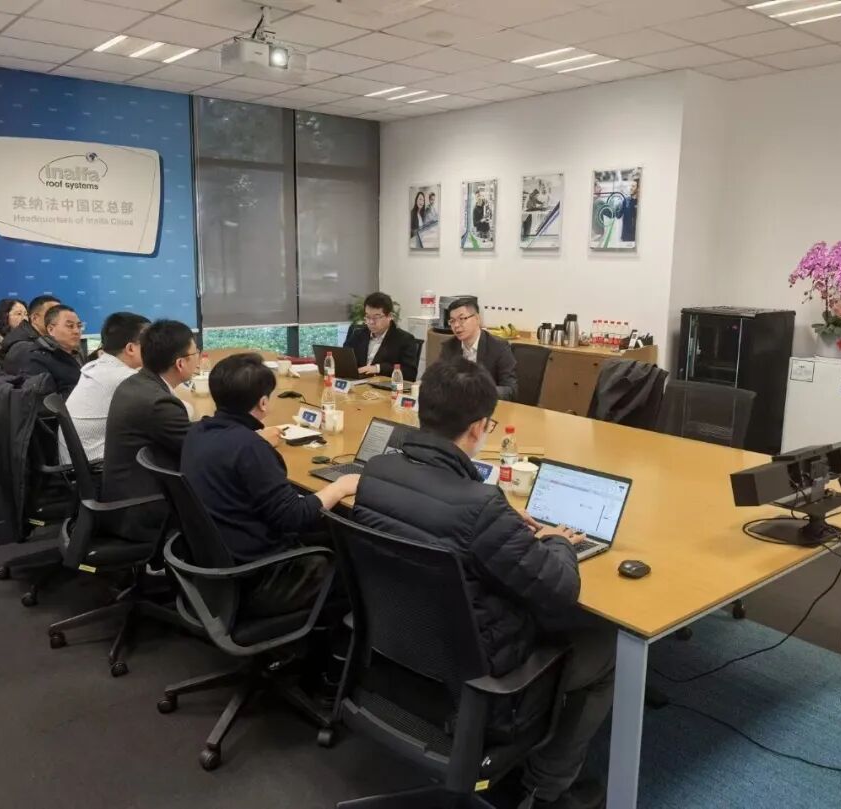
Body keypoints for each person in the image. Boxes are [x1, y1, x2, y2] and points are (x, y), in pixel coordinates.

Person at [353, 358, 615, 809]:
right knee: (606, 645)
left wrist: (503, 523)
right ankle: (548, 787)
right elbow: (560, 590)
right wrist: (558, 541)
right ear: (477, 427)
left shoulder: (375, 471)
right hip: (479, 678)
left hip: (399, 651)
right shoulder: (481, 508)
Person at [181, 353, 359, 615]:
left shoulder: (198, 431)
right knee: (357, 560)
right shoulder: (249, 448)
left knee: (329, 531)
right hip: (259, 577)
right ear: (263, 402)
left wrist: (255, 440)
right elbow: (294, 517)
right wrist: (340, 487)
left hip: (219, 563)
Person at [101, 319, 198, 543]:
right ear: (180, 363)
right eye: (195, 353)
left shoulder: (136, 383)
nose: (198, 358)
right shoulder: (158, 402)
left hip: (123, 498)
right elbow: (199, 451)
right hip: (144, 511)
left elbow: (185, 434)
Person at [59, 312, 150, 464]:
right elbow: (181, 411)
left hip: (78, 464)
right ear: (131, 348)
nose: (155, 348)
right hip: (98, 467)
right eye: (150, 344)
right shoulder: (123, 377)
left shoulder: (96, 366)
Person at [439, 297, 517, 400]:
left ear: (477, 319)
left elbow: (510, 390)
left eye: (462, 319)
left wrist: (479, 391)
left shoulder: (499, 347)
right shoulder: (449, 347)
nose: (456, 325)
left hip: (488, 405)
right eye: (452, 321)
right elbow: (440, 381)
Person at [343, 292, 419, 381]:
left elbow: (410, 373)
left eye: (376, 317)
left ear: (389, 316)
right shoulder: (358, 335)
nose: (371, 322)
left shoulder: (404, 339)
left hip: (383, 386)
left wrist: (378, 368)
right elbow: (344, 359)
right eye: (368, 317)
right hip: (357, 384)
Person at [17, 304, 84, 397]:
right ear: (51, 329)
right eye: (70, 326)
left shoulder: (77, 353)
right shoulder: (36, 359)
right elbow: (43, 401)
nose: (76, 331)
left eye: (79, 326)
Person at [0, 294, 60, 374]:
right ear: (35, 318)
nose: (59, 319)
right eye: (53, 315)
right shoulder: (22, 346)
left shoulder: (49, 338)